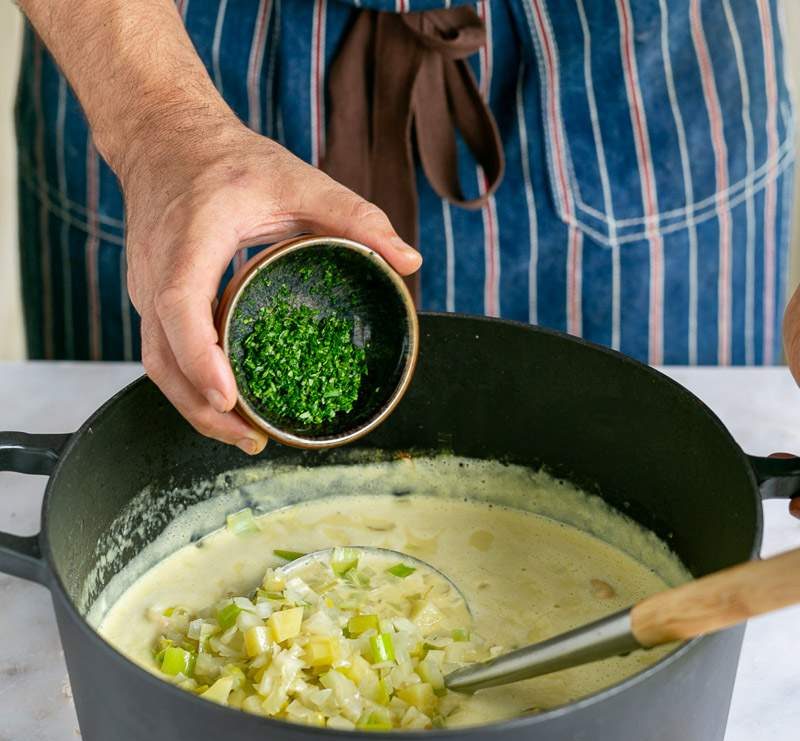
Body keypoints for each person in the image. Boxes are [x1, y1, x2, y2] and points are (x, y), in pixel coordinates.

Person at [15, 0, 798, 461]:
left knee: (669, 473)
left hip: (638, 83)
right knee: (147, 448)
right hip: (159, 53)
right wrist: (161, 125)